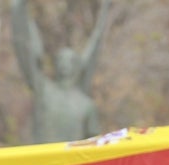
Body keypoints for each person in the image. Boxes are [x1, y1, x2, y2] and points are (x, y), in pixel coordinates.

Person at [9, 0, 112, 143]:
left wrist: (105, 11)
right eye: (61, 60)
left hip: (72, 164)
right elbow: (24, 47)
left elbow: (95, 147)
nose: (64, 64)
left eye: (69, 61)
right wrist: (19, 8)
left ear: (77, 67)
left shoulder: (86, 106)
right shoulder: (44, 91)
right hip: (41, 162)